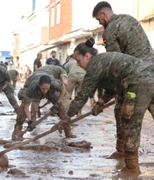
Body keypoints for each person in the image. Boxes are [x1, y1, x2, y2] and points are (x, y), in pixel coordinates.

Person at [57, 38, 154, 174]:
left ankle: (132, 169)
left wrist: (67, 116)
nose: (78, 65)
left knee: (130, 124)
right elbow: (114, 86)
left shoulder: (94, 65)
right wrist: (101, 102)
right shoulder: (104, 60)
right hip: (151, 75)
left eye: (78, 61)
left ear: (87, 56)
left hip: (138, 83)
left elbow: (82, 95)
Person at [92, 1, 154, 158]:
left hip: (136, 79)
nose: (100, 23)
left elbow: (116, 67)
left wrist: (103, 99)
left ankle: (124, 156)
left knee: (122, 112)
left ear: (104, 14)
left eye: (99, 19)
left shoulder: (110, 31)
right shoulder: (130, 19)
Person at [13, 74, 75, 140]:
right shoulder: (32, 88)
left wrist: (58, 103)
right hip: (34, 87)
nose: (45, 91)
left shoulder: (55, 84)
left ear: (50, 85)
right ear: (39, 85)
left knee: (61, 109)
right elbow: (26, 106)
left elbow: (63, 89)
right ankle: (17, 131)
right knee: (22, 111)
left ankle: (68, 132)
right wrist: (30, 120)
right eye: (43, 89)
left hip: (51, 92)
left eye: (46, 88)